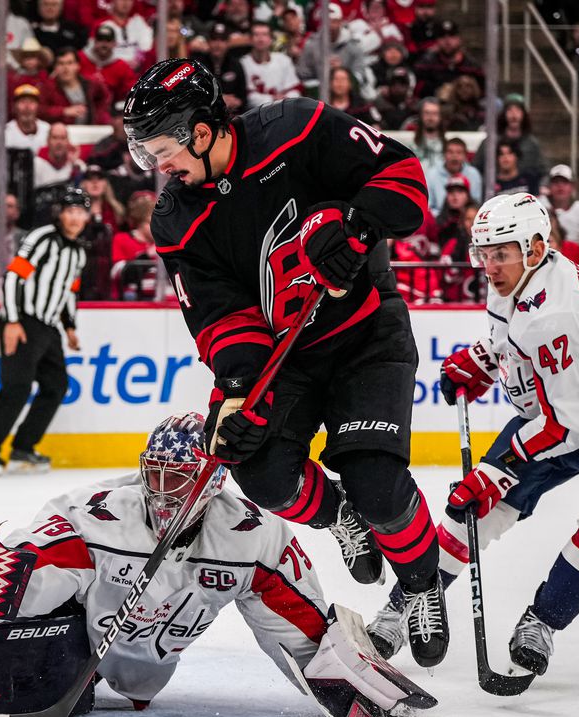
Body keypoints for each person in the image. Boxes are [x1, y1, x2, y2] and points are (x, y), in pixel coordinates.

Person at [0, 412, 435, 717]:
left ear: (211, 486)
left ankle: (55, 677)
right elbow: (18, 576)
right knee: (35, 651)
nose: (160, 490)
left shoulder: (254, 539)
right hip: (74, 637)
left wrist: (352, 682)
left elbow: (299, 631)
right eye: (152, 473)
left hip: (137, 674)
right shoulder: (100, 517)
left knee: (90, 686)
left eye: (177, 478)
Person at [127, 59, 452, 668]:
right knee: (263, 472)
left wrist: (357, 228)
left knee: (379, 485)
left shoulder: (297, 128)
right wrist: (239, 389)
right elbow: (219, 317)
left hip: (366, 335)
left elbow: (403, 177)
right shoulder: (175, 216)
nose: (158, 169)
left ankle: (420, 584)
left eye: (162, 151)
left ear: (202, 131)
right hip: (287, 356)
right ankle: (341, 515)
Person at [367, 194, 579, 677]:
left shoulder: (560, 313)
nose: (490, 266)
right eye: (483, 253)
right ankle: (404, 605)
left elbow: (570, 424)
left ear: (535, 249)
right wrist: (485, 359)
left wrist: (498, 470)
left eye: (501, 253)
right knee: (473, 512)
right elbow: (512, 340)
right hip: (567, 404)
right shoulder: (517, 279)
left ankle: (543, 621)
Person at [0, 188, 89, 475]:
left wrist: (70, 327)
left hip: (49, 327)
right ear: (59, 214)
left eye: (80, 211)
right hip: (23, 320)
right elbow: (13, 277)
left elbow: (68, 292)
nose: (75, 218)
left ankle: (23, 447)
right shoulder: (42, 238)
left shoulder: (78, 252)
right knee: (17, 386)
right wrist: (11, 321)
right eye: (70, 211)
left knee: (56, 386)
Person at [41, 47, 113, 124]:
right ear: (55, 67)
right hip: (63, 132)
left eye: (70, 63)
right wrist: (64, 111)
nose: (65, 68)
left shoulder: (91, 83)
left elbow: (106, 97)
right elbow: (40, 110)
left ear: (77, 66)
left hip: (90, 130)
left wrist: (98, 116)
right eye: (61, 63)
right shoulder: (48, 87)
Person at [242, 21, 303, 108]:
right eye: (256, 35)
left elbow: (296, 90)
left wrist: (284, 100)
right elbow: (248, 97)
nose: (260, 39)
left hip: (284, 111)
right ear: (250, 39)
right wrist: (272, 99)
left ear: (271, 39)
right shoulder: (243, 64)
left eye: (264, 34)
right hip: (255, 116)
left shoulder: (284, 60)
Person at [425, 137, 482, 215]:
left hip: (466, 221)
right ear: (444, 154)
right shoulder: (432, 174)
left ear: (465, 156)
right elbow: (428, 207)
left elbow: (476, 205)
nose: (454, 156)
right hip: (439, 221)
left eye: (459, 152)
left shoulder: (473, 174)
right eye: (450, 152)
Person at [33, 122, 86, 189]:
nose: (59, 142)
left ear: (68, 141)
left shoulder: (78, 166)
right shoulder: (36, 165)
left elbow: (79, 192)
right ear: (48, 141)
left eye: (63, 138)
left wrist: (74, 165)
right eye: (55, 138)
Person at [5, 84, 52, 151]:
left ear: (38, 106)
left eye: (31, 102)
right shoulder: (6, 132)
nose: (27, 107)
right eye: (22, 102)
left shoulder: (47, 130)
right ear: (14, 106)